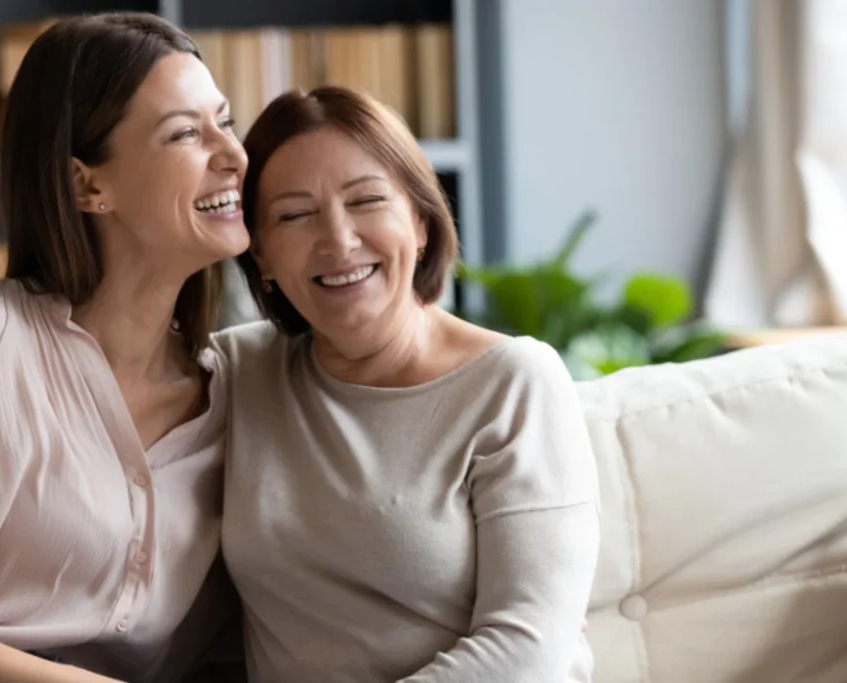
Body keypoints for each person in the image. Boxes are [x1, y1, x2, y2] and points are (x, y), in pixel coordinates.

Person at [0, 13, 247, 683]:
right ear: (85, 185)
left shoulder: (243, 387)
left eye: (226, 121)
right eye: (186, 133)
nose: (234, 154)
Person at [213, 85, 601, 683]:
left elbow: (530, 646)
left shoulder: (513, 382)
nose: (338, 240)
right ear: (259, 255)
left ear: (420, 221)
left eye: (367, 200)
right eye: (294, 215)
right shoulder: (238, 374)